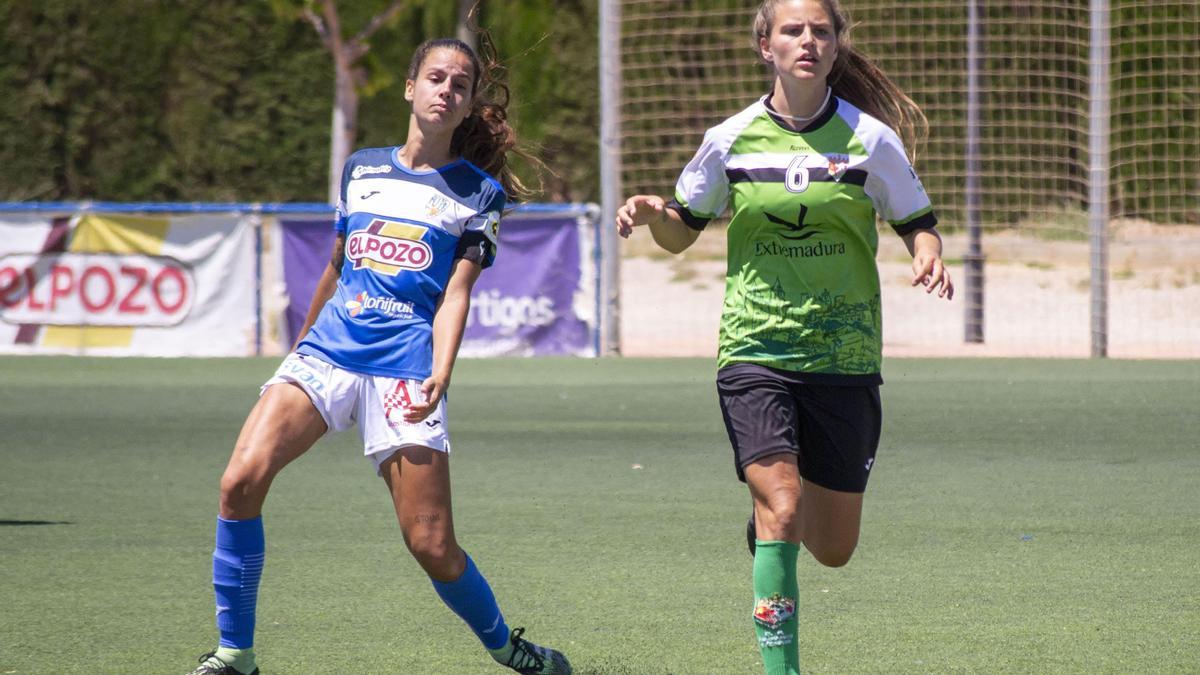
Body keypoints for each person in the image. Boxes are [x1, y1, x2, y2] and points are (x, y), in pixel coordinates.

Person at [188, 37, 570, 675]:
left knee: (431, 543)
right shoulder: (361, 167)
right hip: (327, 354)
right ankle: (235, 656)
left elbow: (456, 295)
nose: (446, 90)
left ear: (471, 103)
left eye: (460, 84)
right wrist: (301, 347)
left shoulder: (479, 194)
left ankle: (508, 647)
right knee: (239, 482)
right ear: (409, 87)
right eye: (435, 78)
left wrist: (440, 375)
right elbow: (337, 267)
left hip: (405, 369)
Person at [615, 1, 953, 672]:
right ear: (764, 46)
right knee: (784, 503)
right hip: (756, 349)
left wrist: (926, 251)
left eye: (821, 30)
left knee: (832, 548)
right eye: (793, 30)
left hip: (843, 357)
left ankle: (770, 527)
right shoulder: (731, 137)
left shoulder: (871, 139)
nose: (808, 40)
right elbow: (684, 230)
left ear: (836, 46)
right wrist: (656, 213)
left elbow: (918, 219)